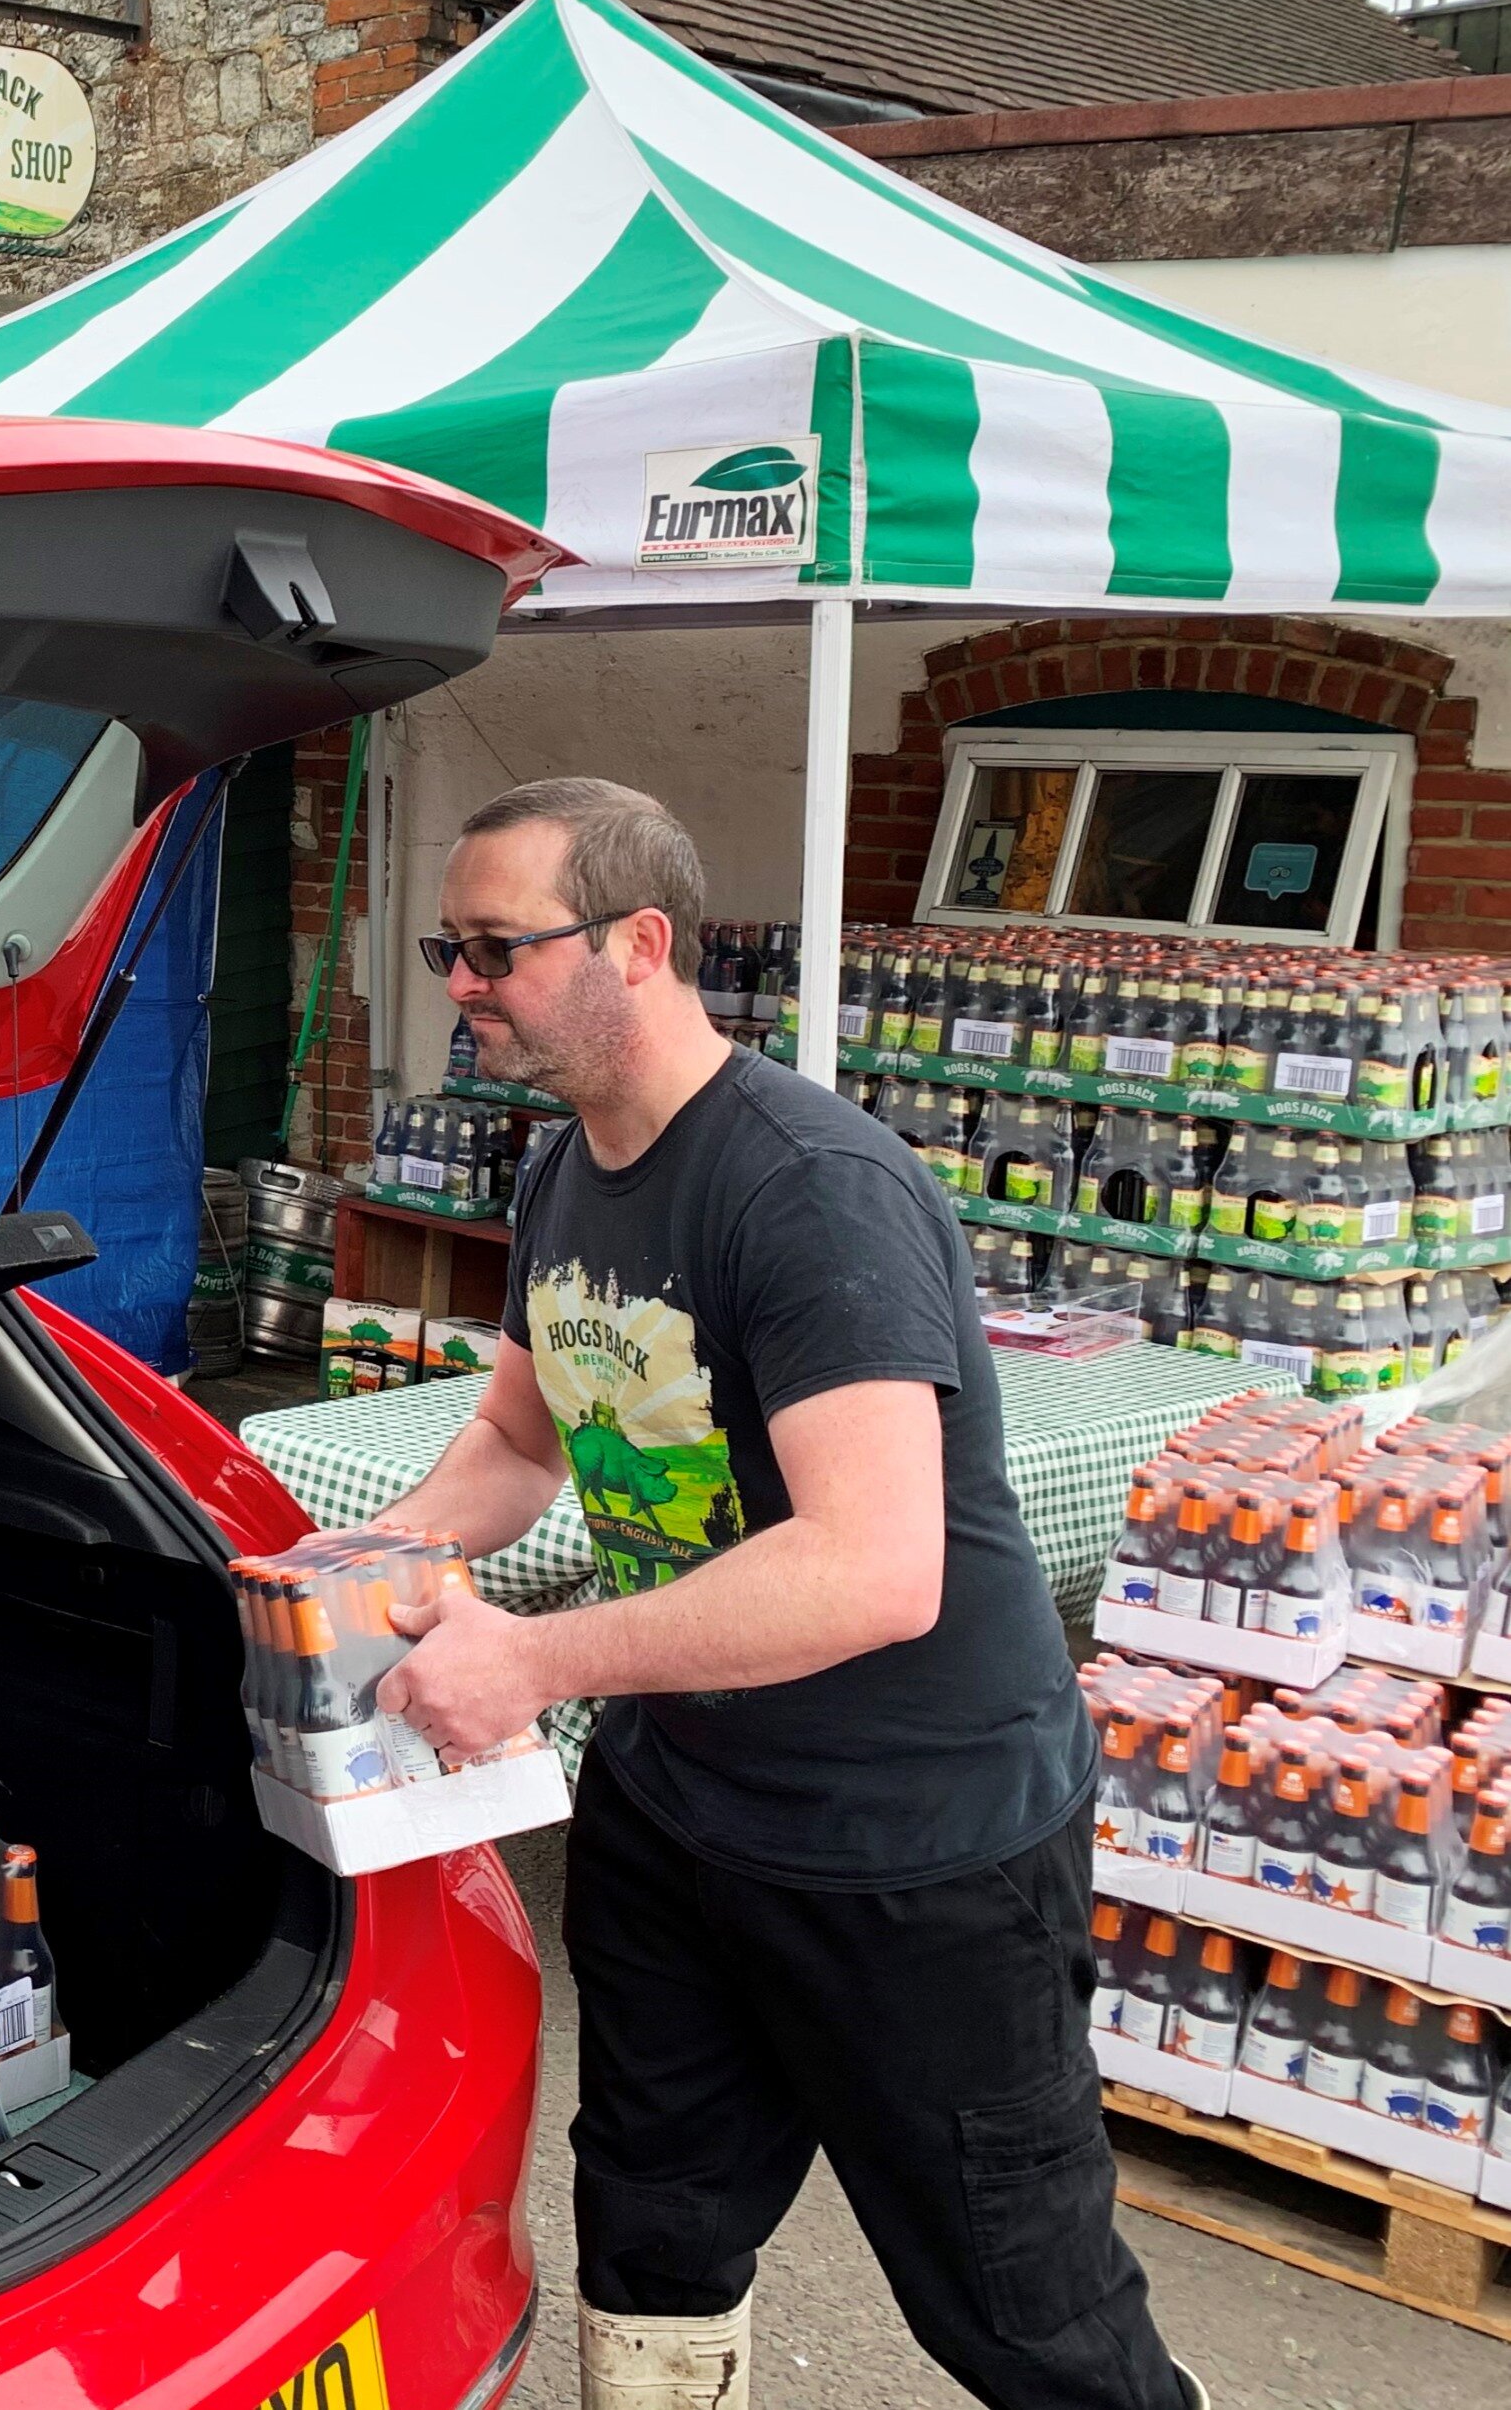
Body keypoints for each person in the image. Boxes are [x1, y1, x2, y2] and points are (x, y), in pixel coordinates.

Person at [372, 778, 1196, 2410]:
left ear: (638, 942)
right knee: (649, 2234)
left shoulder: (803, 1188)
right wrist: (343, 1567)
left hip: (913, 1846)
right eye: (441, 947)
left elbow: (869, 1565)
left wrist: (529, 1659)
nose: (456, 983)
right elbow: (513, 1446)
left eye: (493, 949)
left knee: (1021, 2314)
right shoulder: (558, 1175)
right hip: (678, 1812)